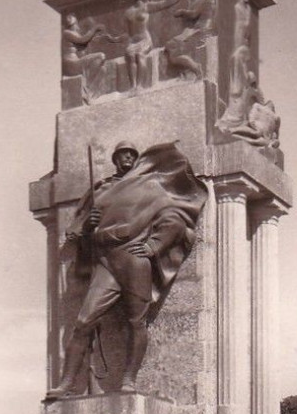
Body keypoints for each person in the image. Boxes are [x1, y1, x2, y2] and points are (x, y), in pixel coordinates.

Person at [47, 141, 206, 397]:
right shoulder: (102, 190)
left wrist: (154, 246)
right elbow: (75, 234)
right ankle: (67, 384)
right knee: (83, 322)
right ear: (115, 159)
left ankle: (129, 380)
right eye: (122, 155)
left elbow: (176, 217)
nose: (127, 159)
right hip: (106, 261)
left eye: (132, 155)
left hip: (133, 258)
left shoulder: (151, 186)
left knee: (136, 321)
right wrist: (89, 223)